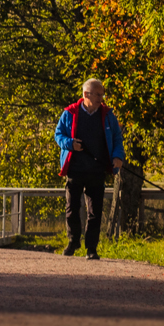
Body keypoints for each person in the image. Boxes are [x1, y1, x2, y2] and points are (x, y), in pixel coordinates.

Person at [53, 77, 125, 259]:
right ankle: (73, 241)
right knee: (72, 208)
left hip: (97, 169)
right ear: (86, 94)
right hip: (75, 169)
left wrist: (117, 157)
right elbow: (58, 135)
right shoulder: (70, 113)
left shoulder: (108, 115)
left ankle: (91, 248)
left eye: (102, 94)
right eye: (98, 94)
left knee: (95, 211)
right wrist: (70, 144)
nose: (102, 98)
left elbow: (117, 138)